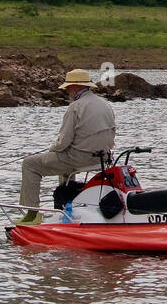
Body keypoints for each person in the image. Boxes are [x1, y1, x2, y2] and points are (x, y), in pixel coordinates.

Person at [16, 69, 116, 225]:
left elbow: (63, 142)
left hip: (78, 159)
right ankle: (66, 205)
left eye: (68, 87)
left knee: (29, 164)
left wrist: (51, 150)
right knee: (64, 163)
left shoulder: (75, 107)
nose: (67, 90)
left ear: (74, 86)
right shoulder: (105, 105)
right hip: (102, 158)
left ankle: (32, 214)